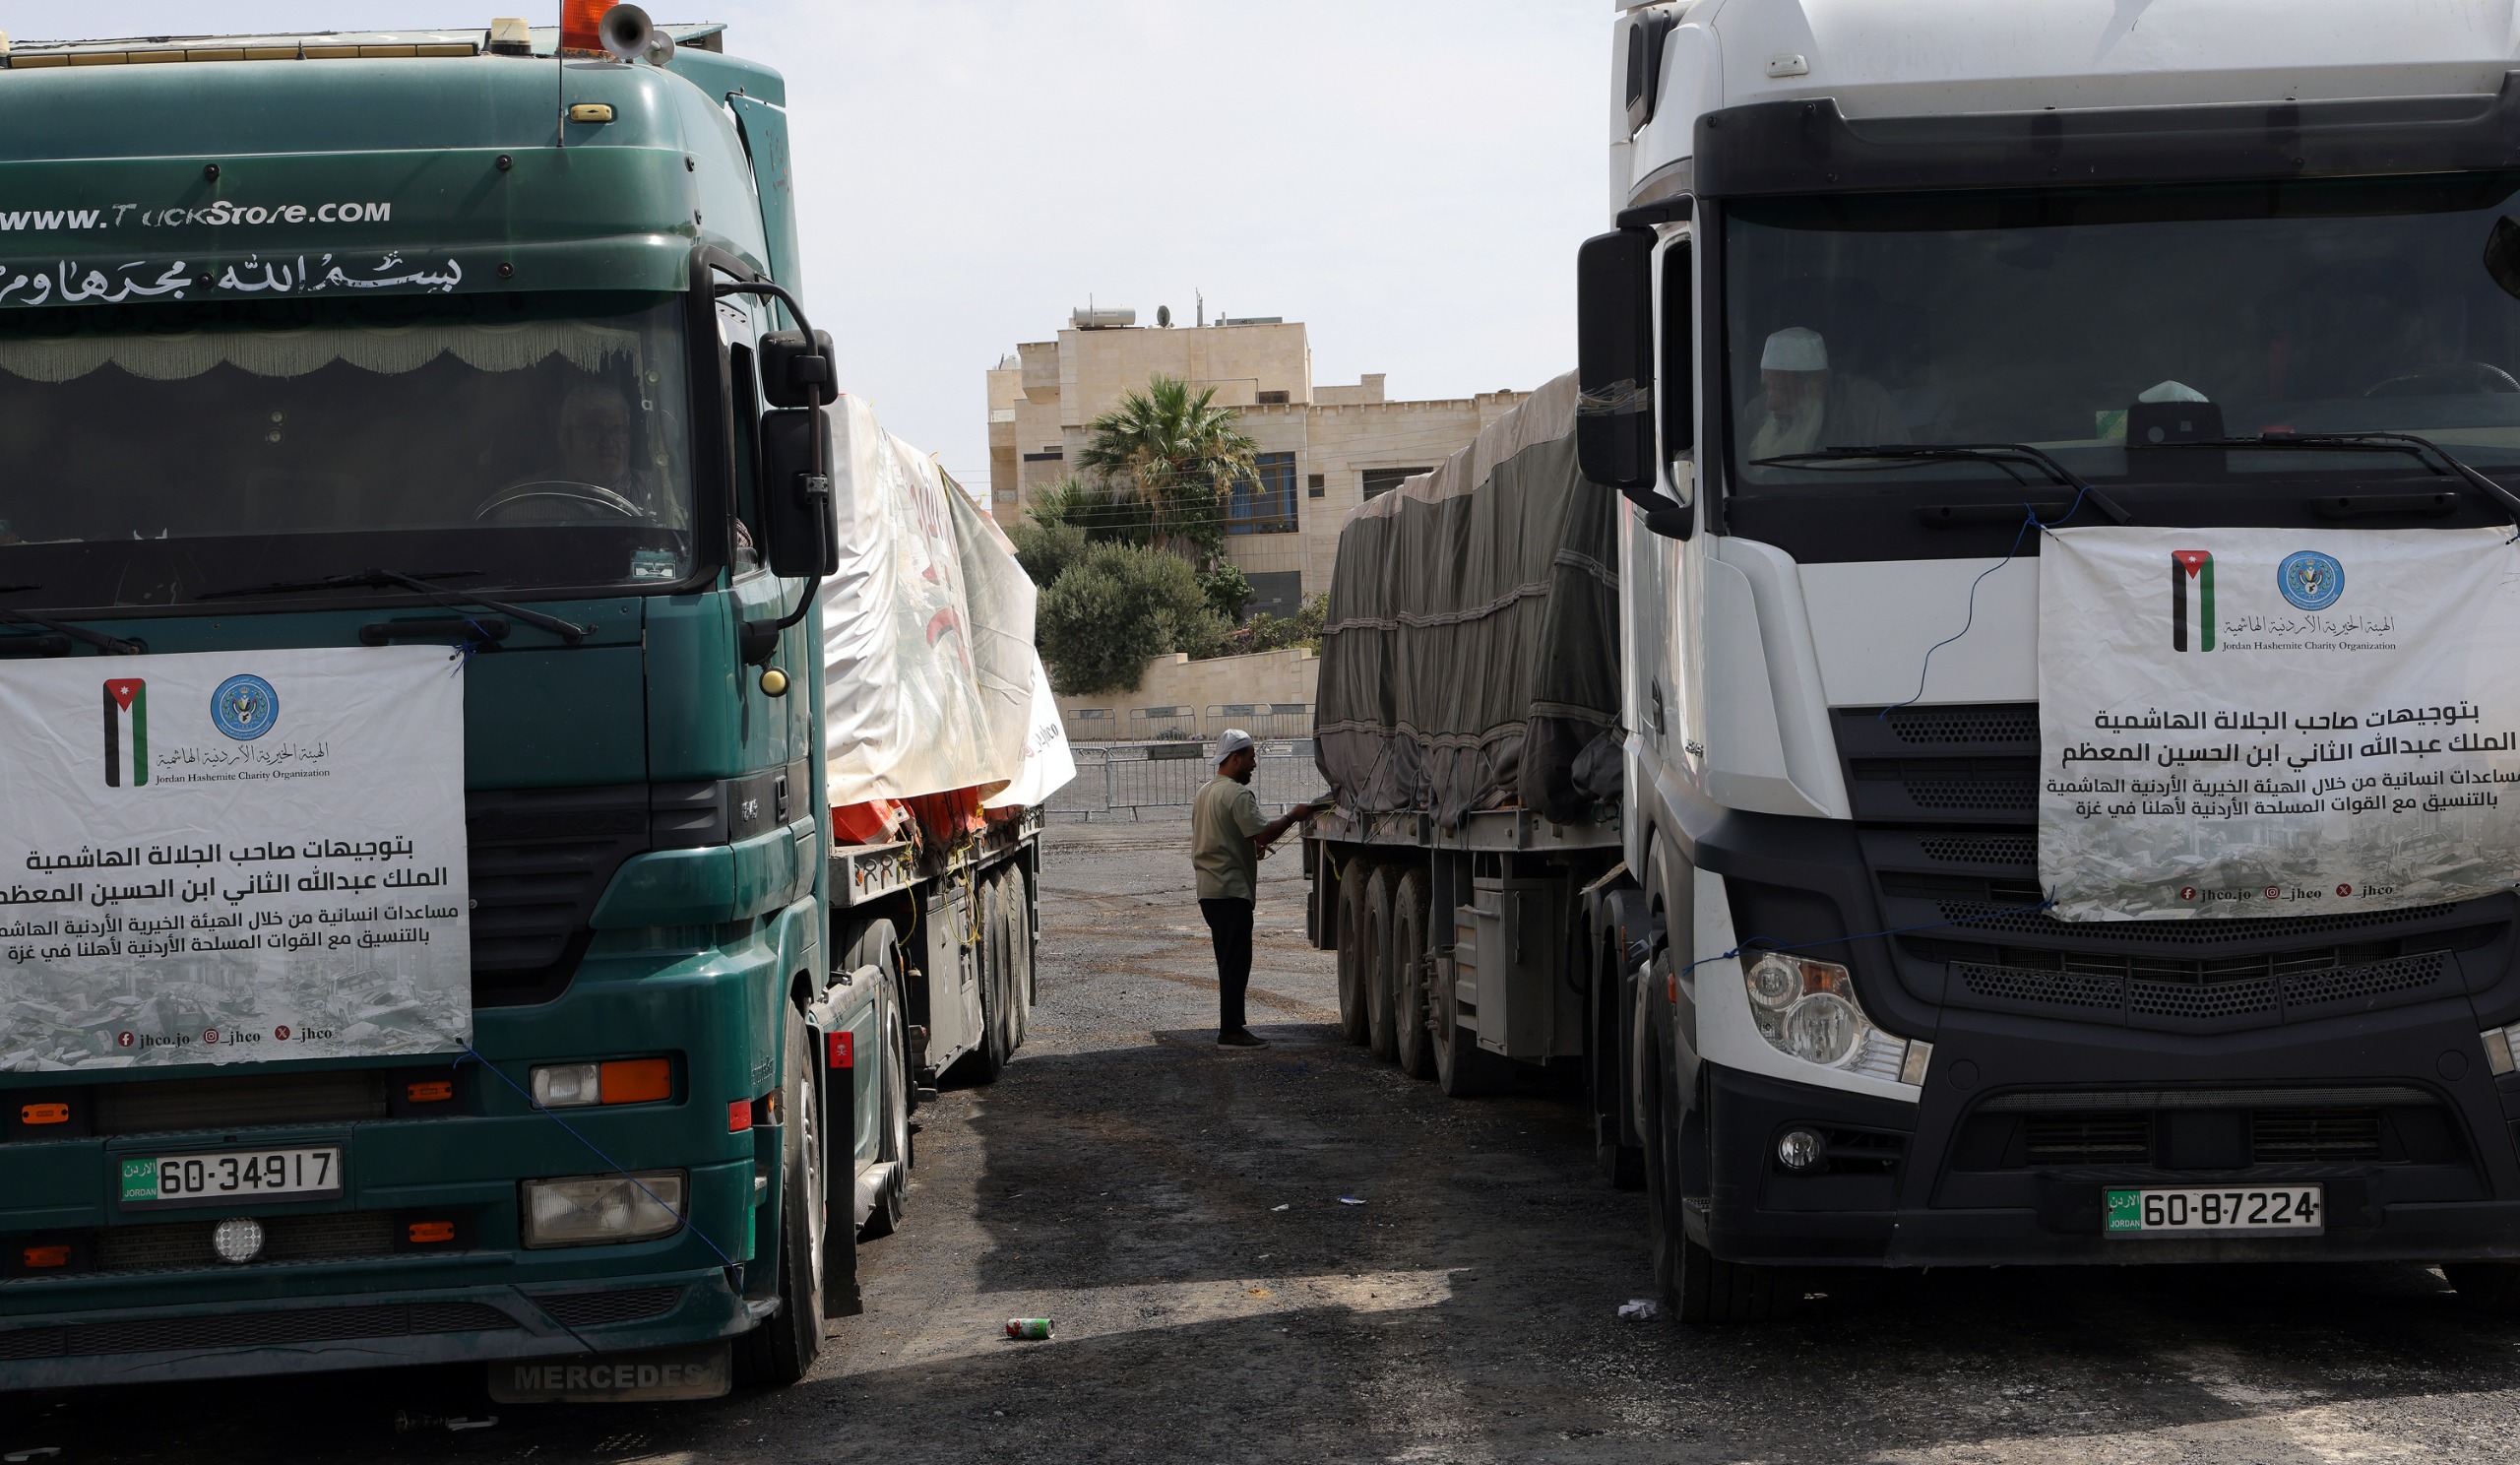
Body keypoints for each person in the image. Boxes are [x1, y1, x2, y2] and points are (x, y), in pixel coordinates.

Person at [1191, 729, 1315, 1048]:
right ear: (1234, 759)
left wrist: (1249, 845)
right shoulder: (1237, 794)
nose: (1254, 765)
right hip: (1231, 891)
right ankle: (1230, 1032)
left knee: (1228, 960)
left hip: (1209, 892)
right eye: (1250, 758)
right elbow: (1262, 834)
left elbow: (1227, 835)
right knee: (1235, 963)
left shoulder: (1205, 792)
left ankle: (1232, 1026)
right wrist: (1293, 816)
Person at [1742, 326, 1907, 461]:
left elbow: (1897, 468)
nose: (1770, 404)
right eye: (1767, 387)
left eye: (1782, 388)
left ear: (1817, 386)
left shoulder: (1868, 404)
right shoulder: (1754, 413)